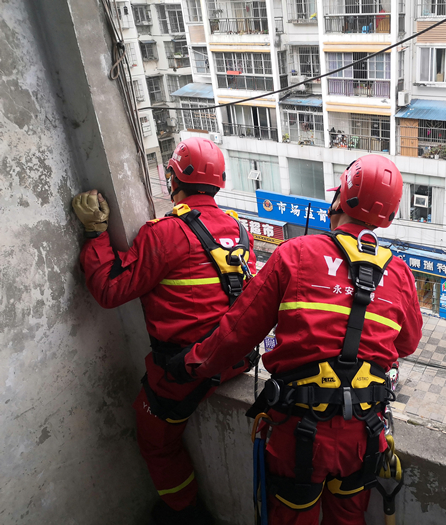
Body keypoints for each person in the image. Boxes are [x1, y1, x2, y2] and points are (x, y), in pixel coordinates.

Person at [166, 155, 423, 525]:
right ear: (389, 217)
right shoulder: (398, 272)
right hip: (363, 435)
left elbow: (237, 333)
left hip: (299, 435)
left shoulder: (296, 254)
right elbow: (407, 343)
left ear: (338, 202)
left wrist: (190, 364)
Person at [72, 137, 257, 525]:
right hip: (236, 358)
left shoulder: (165, 232)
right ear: (218, 182)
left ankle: (184, 512)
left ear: (174, 178)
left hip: (185, 370)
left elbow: (109, 290)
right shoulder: (240, 230)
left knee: (155, 440)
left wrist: (96, 234)